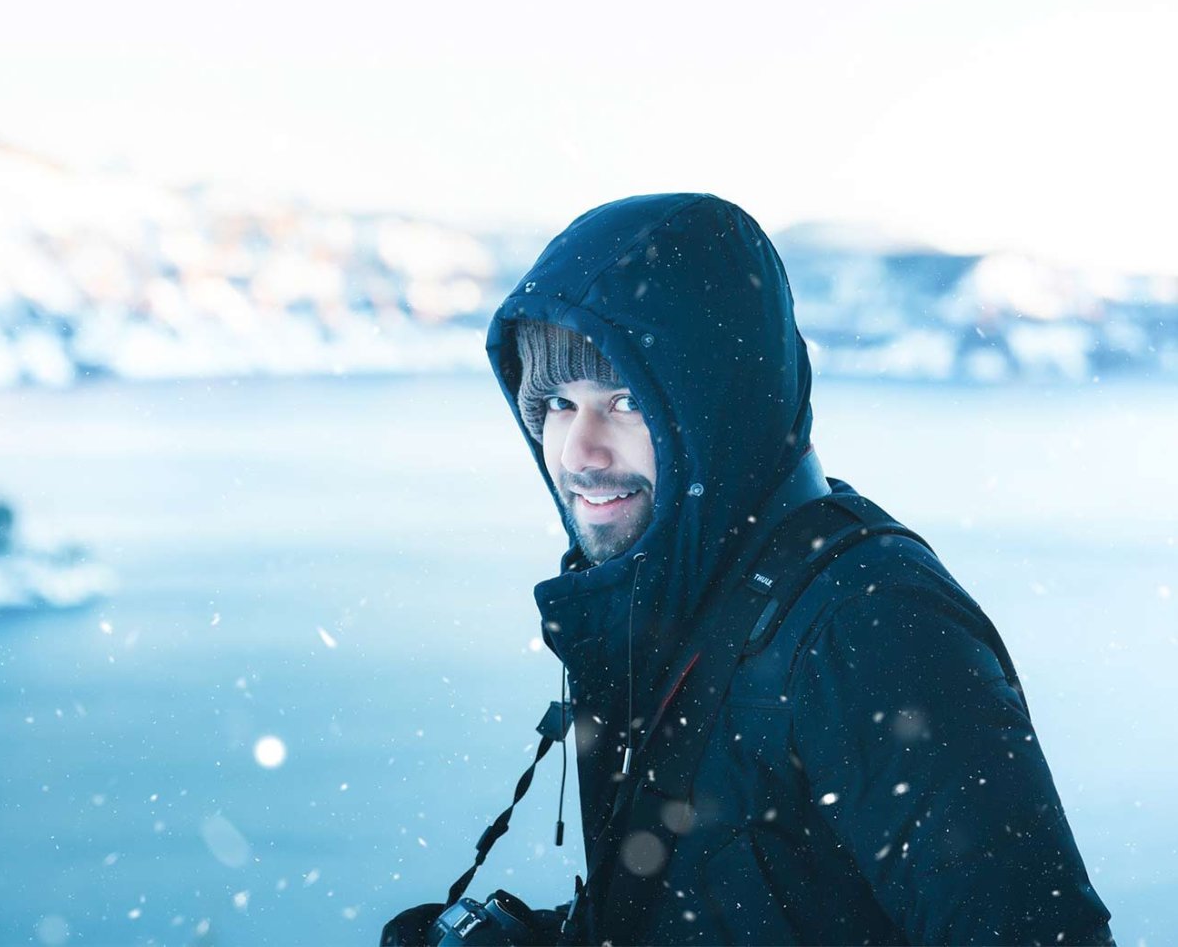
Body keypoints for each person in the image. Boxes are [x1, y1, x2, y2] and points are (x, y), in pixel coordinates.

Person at [383, 193, 1114, 946]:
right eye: (560, 403)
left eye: (627, 401)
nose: (579, 451)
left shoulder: (869, 624)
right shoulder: (679, 595)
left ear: (718, 411)